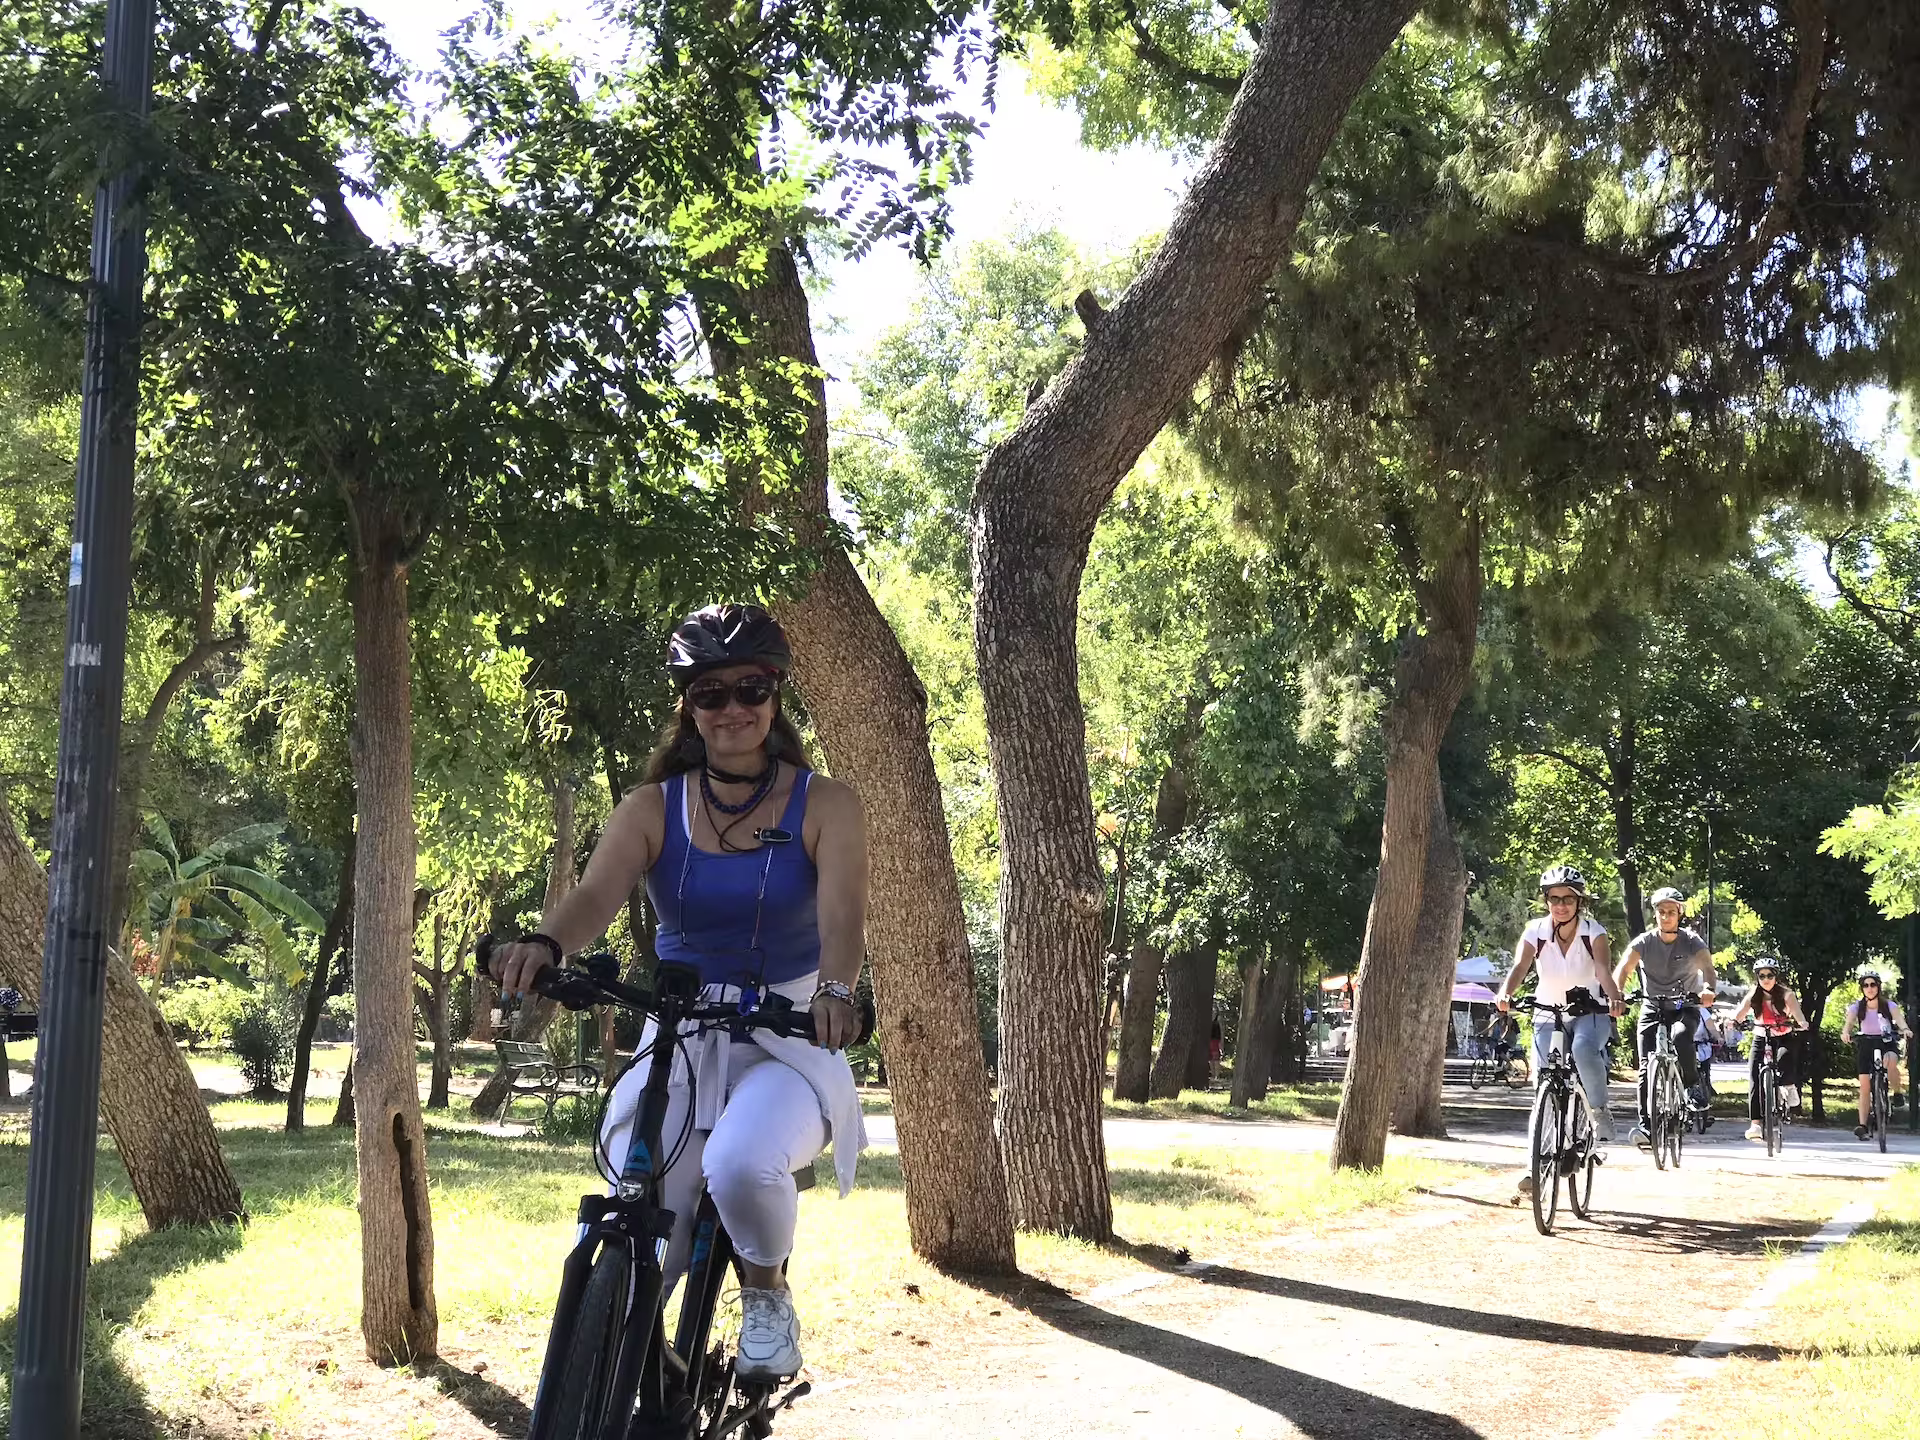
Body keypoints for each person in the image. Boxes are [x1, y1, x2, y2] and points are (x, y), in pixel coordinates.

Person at [488, 603, 868, 1383]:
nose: (732, 709)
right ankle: (632, 1355)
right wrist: (546, 944)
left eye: (750, 689)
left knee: (741, 1165)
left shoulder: (828, 805)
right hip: (683, 1030)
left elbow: (843, 919)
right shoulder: (651, 808)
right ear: (688, 707)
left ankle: (766, 1297)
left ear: (775, 696)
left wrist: (835, 991)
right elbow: (595, 897)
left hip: (787, 1034)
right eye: (710, 693)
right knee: (646, 1195)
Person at [1498, 864, 1628, 1193]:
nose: (1560, 905)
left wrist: (1615, 998)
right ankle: (1535, 1168)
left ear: (1579, 902)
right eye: (1554, 899)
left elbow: (1602, 970)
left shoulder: (1593, 932)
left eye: (1568, 899)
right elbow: (1521, 966)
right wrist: (1505, 993)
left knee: (1583, 1049)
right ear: (1546, 901)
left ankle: (1599, 1111)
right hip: (1548, 1011)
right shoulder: (1535, 931)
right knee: (1544, 1085)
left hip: (1590, 1011)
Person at [1613, 886, 1718, 1147]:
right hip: (1652, 1006)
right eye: (1661, 911)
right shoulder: (1644, 942)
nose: (1666, 916)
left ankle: (1692, 1085)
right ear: (1655, 914)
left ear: (1679, 913)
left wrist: (1708, 989)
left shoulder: (1692, 941)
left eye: (1671, 911)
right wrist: (1617, 995)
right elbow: (1623, 969)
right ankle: (1646, 1127)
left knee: (1681, 1036)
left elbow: (1708, 968)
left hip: (1684, 1005)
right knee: (1645, 1067)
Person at [1727, 960, 1809, 1141]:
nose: (1766, 979)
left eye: (1769, 975)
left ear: (1776, 976)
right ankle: (1756, 1124)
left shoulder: (1787, 994)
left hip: (1783, 1035)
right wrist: (1733, 1021)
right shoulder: (1754, 994)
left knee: (1785, 1058)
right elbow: (1740, 1013)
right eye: (1761, 976)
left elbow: (1798, 1014)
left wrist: (1802, 1022)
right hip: (1761, 1035)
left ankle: (1788, 1086)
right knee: (1754, 1077)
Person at [1839, 968, 1912, 1141]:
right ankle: (1863, 1125)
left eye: (1873, 984)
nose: (1869, 988)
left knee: (1891, 1060)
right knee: (1865, 1085)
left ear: (1878, 986)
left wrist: (1905, 1030)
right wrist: (1845, 1033)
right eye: (1865, 985)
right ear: (1862, 988)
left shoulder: (1889, 1005)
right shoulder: (1857, 1007)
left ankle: (1897, 1093)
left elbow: (1900, 1021)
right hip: (1866, 1043)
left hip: (1886, 1041)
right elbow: (1848, 1025)